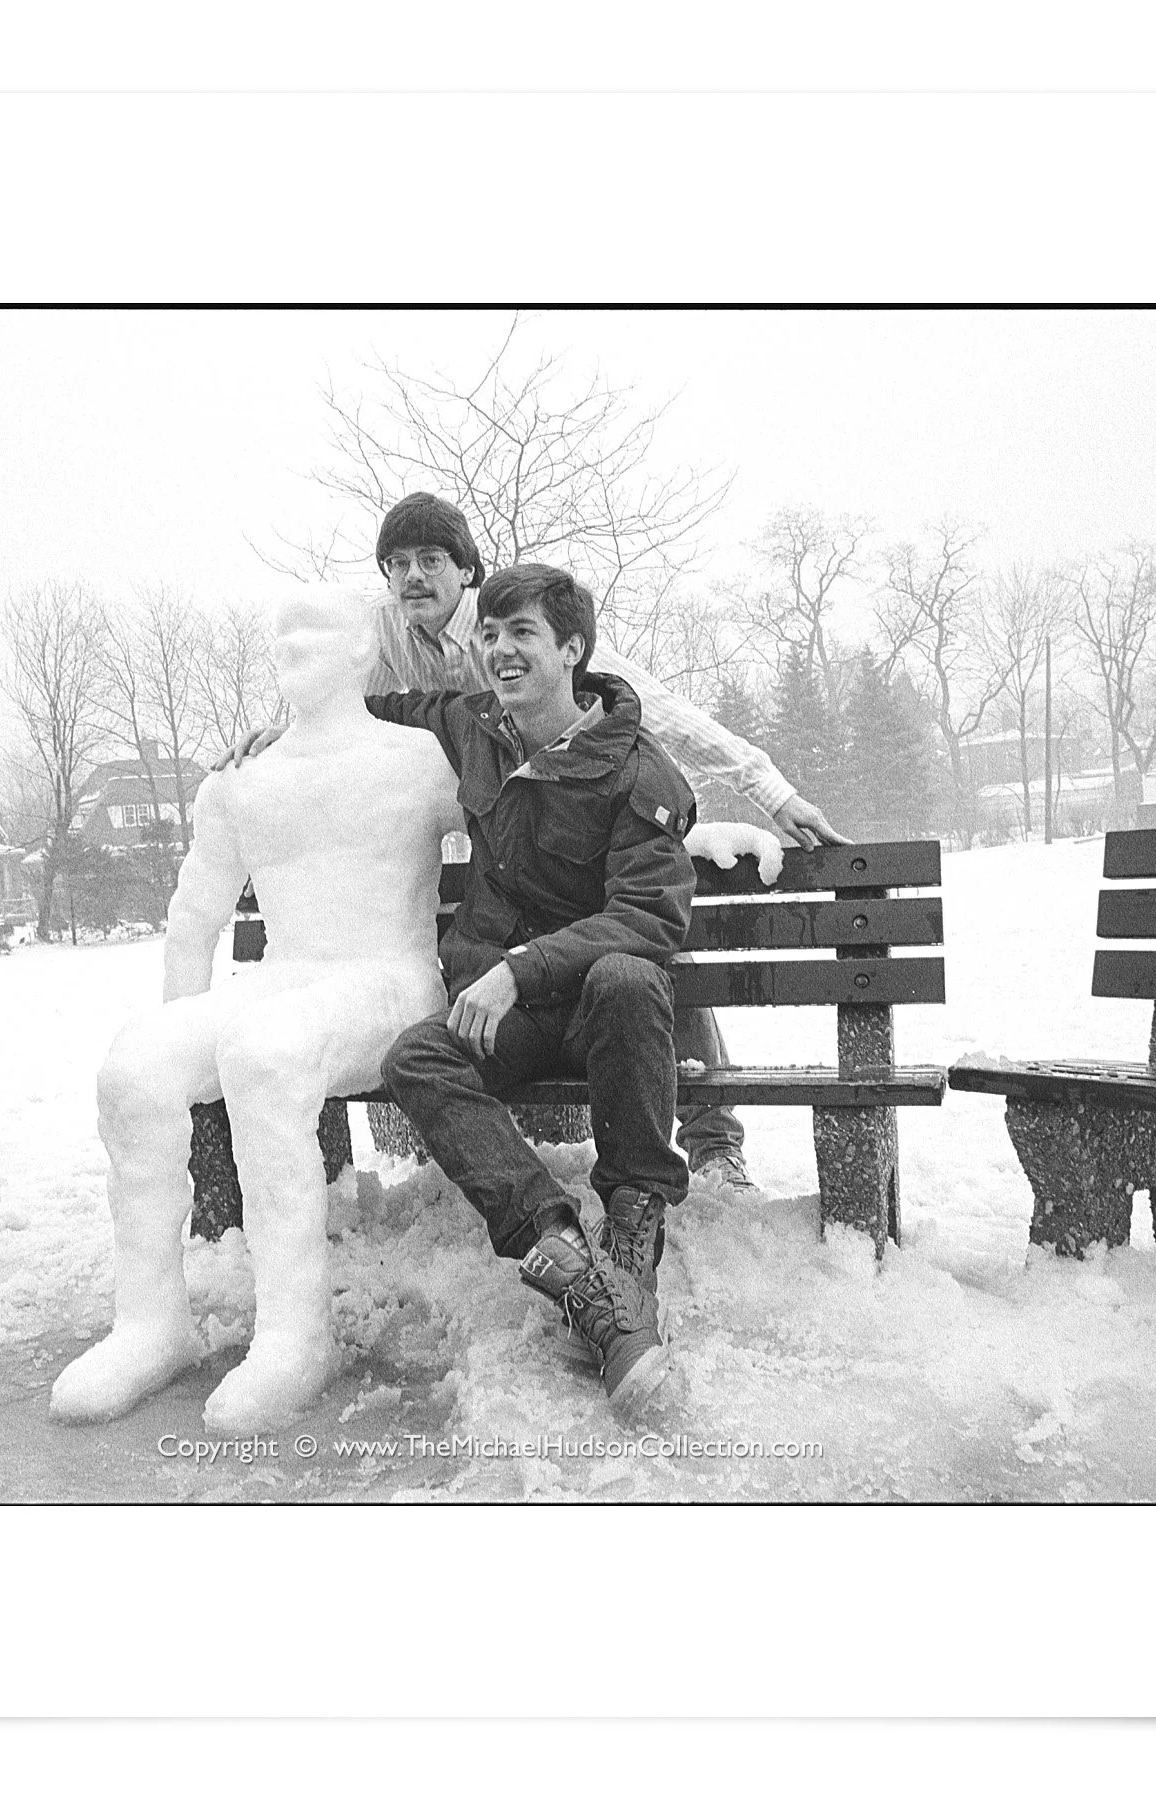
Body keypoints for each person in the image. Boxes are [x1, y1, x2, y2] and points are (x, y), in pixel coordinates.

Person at [231, 491, 845, 1199]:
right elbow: (354, 707)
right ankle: (528, 1199)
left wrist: (772, 789)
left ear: (467, 568)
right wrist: (294, 732)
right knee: (486, 980)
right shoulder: (392, 636)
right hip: (499, 825)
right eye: (396, 564)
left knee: (639, 948)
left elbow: (664, 716)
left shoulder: (527, 626)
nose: (413, 578)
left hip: (589, 798)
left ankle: (709, 1137)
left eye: (431, 560)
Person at [51, 586, 462, 1436]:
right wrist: (179, 1046)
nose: (291, 647)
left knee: (268, 1054)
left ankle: (293, 1334)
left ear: (363, 651)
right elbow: (194, 910)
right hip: (289, 974)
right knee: (134, 1067)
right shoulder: (245, 780)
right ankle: (150, 1321)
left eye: (315, 633)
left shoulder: (422, 758)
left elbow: (536, 828)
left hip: (391, 977)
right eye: (281, 636)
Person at [368, 563, 695, 1412]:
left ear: (573, 649)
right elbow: (355, 716)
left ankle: (630, 1234)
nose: (500, 651)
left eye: (523, 635)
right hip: (504, 1023)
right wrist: (271, 736)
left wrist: (517, 968)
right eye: (490, 634)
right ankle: (566, 1256)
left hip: (593, 1014)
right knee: (416, 1057)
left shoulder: (640, 774)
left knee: (630, 978)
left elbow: (647, 921)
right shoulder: (472, 725)